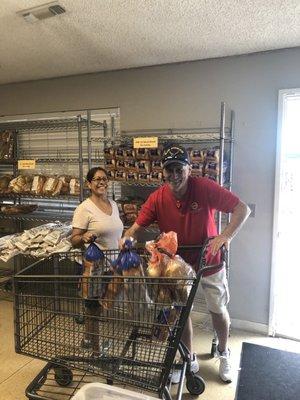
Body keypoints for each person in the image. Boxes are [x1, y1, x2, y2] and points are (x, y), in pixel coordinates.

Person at [123, 144, 250, 383]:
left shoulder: (204, 187)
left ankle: (223, 351)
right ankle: (188, 358)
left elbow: (241, 209)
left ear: (189, 169)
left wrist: (226, 236)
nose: (174, 175)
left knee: (218, 310)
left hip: (209, 262)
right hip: (177, 268)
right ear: (163, 172)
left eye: (179, 168)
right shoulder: (157, 197)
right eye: (169, 169)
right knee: (181, 314)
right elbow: (136, 228)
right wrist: (126, 239)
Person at [71, 166, 123, 352]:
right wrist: (83, 237)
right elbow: (74, 239)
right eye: (97, 179)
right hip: (92, 267)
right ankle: (95, 350)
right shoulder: (84, 208)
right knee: (93, 309)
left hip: (111, 266)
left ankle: (87, 339)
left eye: (104, 178)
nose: (102, 182)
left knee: (99, 307)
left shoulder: (114, 205)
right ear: (89, 184)